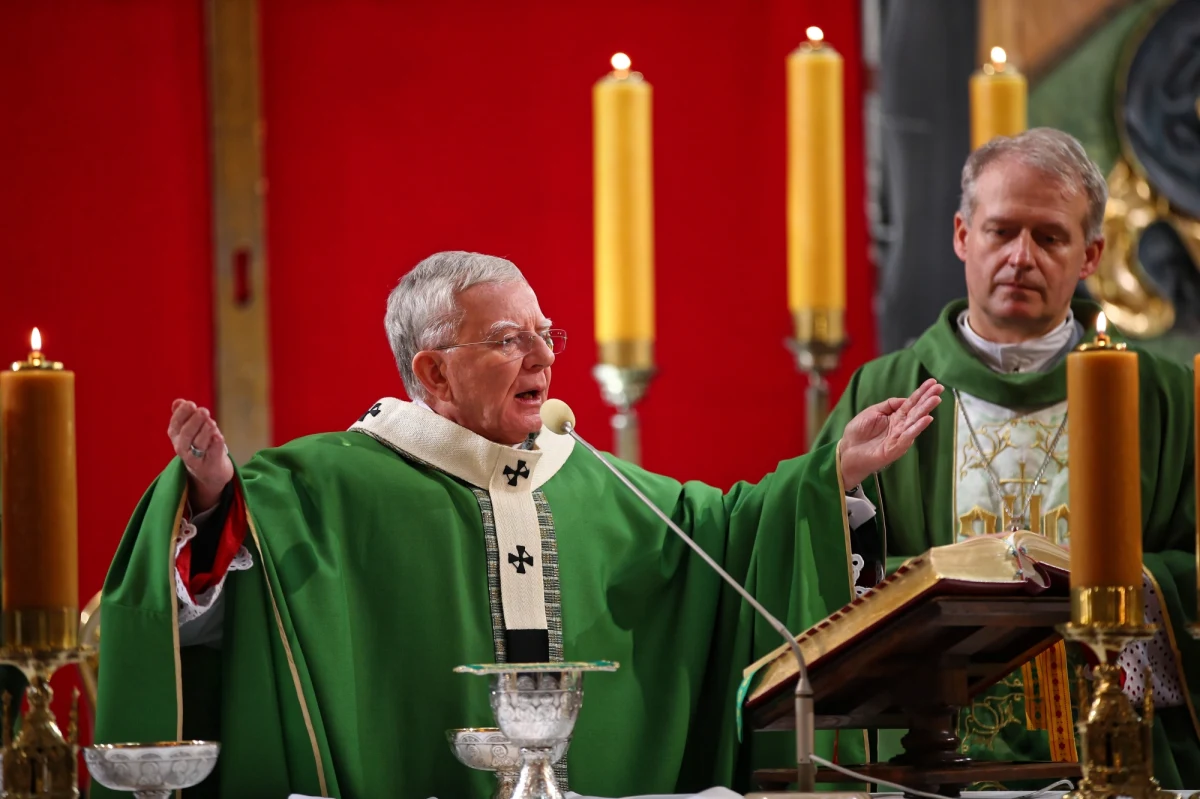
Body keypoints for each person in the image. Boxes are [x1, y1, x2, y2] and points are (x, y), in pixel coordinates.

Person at [93, 251, 943, 798]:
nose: (543, 357)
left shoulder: (600, 481)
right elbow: (197, 612)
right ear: (432, 370)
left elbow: (729, 535)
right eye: (510, 339)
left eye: (546, 333)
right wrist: (208, 501)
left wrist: (830, 476)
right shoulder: (315, 487)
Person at [814, 128, 1199, 786]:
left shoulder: (1165, 396)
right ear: (964, 236)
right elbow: (819, 574)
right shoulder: (882, 392)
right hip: (932, 759)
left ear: (1091, 254)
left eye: (1049, 237)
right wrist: (840, 498)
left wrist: (1126, 590)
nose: (1021, 256)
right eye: (1001, 231)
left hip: (1118, 754)